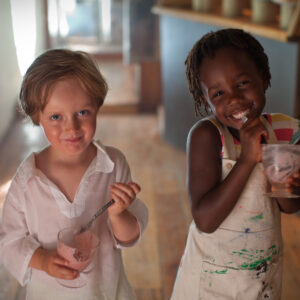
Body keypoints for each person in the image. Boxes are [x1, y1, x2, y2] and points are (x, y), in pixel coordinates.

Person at [0, 49, 148, 300]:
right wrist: (43, 260)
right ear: (37, 116)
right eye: (56, 117)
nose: (72, 127)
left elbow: (128, 237)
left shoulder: (112, 164)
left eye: (83, 112)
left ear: (97, 107)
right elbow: (8, 240)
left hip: (106, 291)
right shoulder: (29, 178)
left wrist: (118, 214)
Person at [171, 28, 300, 299]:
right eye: (218, 94)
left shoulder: (285, 130)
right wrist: (247, 160)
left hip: (263, 277)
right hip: (210, 283)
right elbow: (205, 219)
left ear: (263, 77)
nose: (234, 99)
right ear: (205, 100)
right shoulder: (207, 136)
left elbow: (289, 206)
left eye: (242, 84)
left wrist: (283, 177)